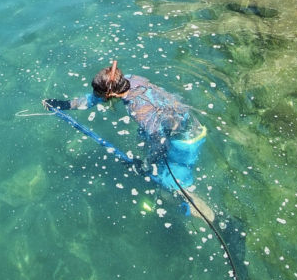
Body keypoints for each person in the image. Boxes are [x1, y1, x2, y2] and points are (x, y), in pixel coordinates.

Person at [70, 60, 213, 220]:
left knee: (175, 189)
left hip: (185, 142)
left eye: (101, 95)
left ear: (111, 94)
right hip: (179, 122)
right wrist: (66, 105)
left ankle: (221, 221)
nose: (98, 97)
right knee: (152, 151)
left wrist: (145, 166)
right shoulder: (129, 80)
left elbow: (161, 145)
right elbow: (95, 98)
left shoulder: (139, 110)